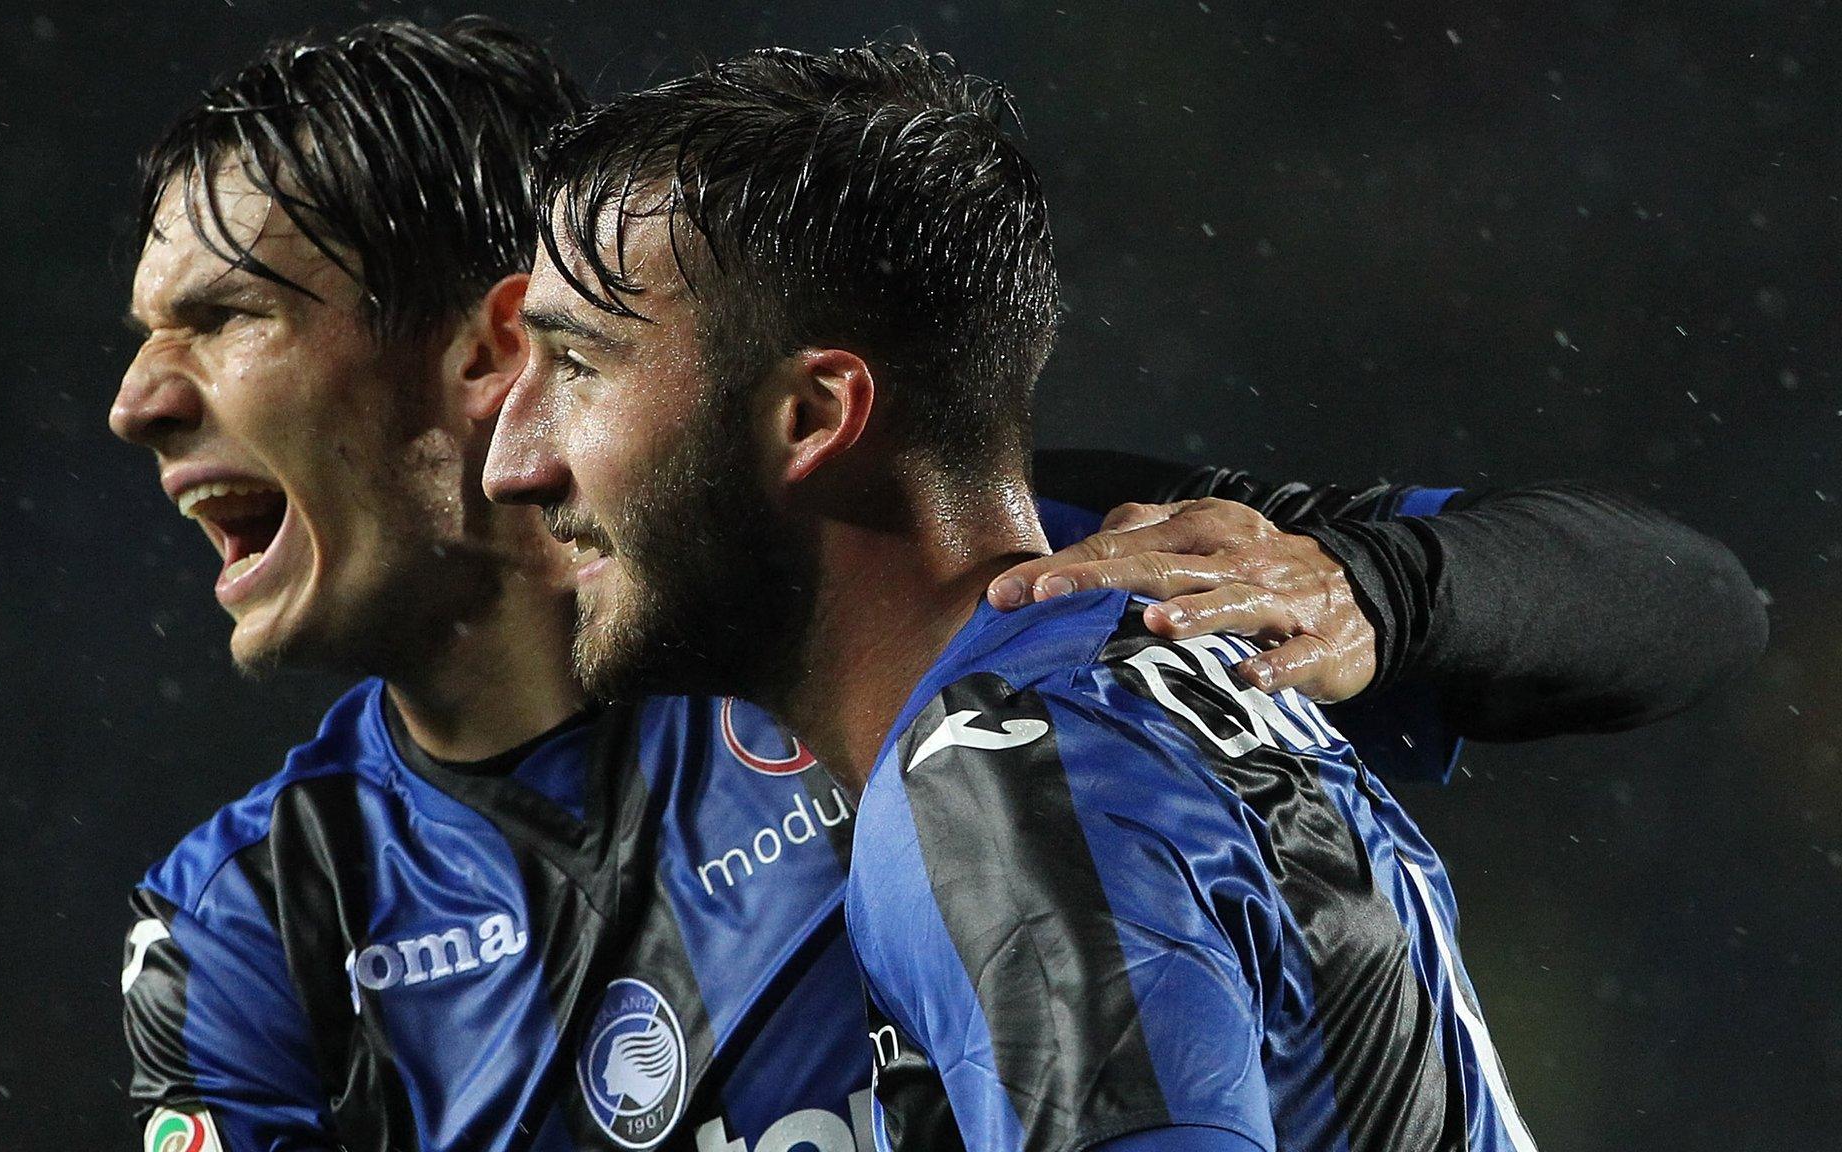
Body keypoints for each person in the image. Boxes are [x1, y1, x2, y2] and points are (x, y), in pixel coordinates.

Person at [114, 19, 1764, 1152]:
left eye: (223, 318)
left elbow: (1691, 607)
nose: (141, 398)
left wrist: (1377, 587)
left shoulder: (1039, 591)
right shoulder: (266, 917)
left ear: (488, 345)